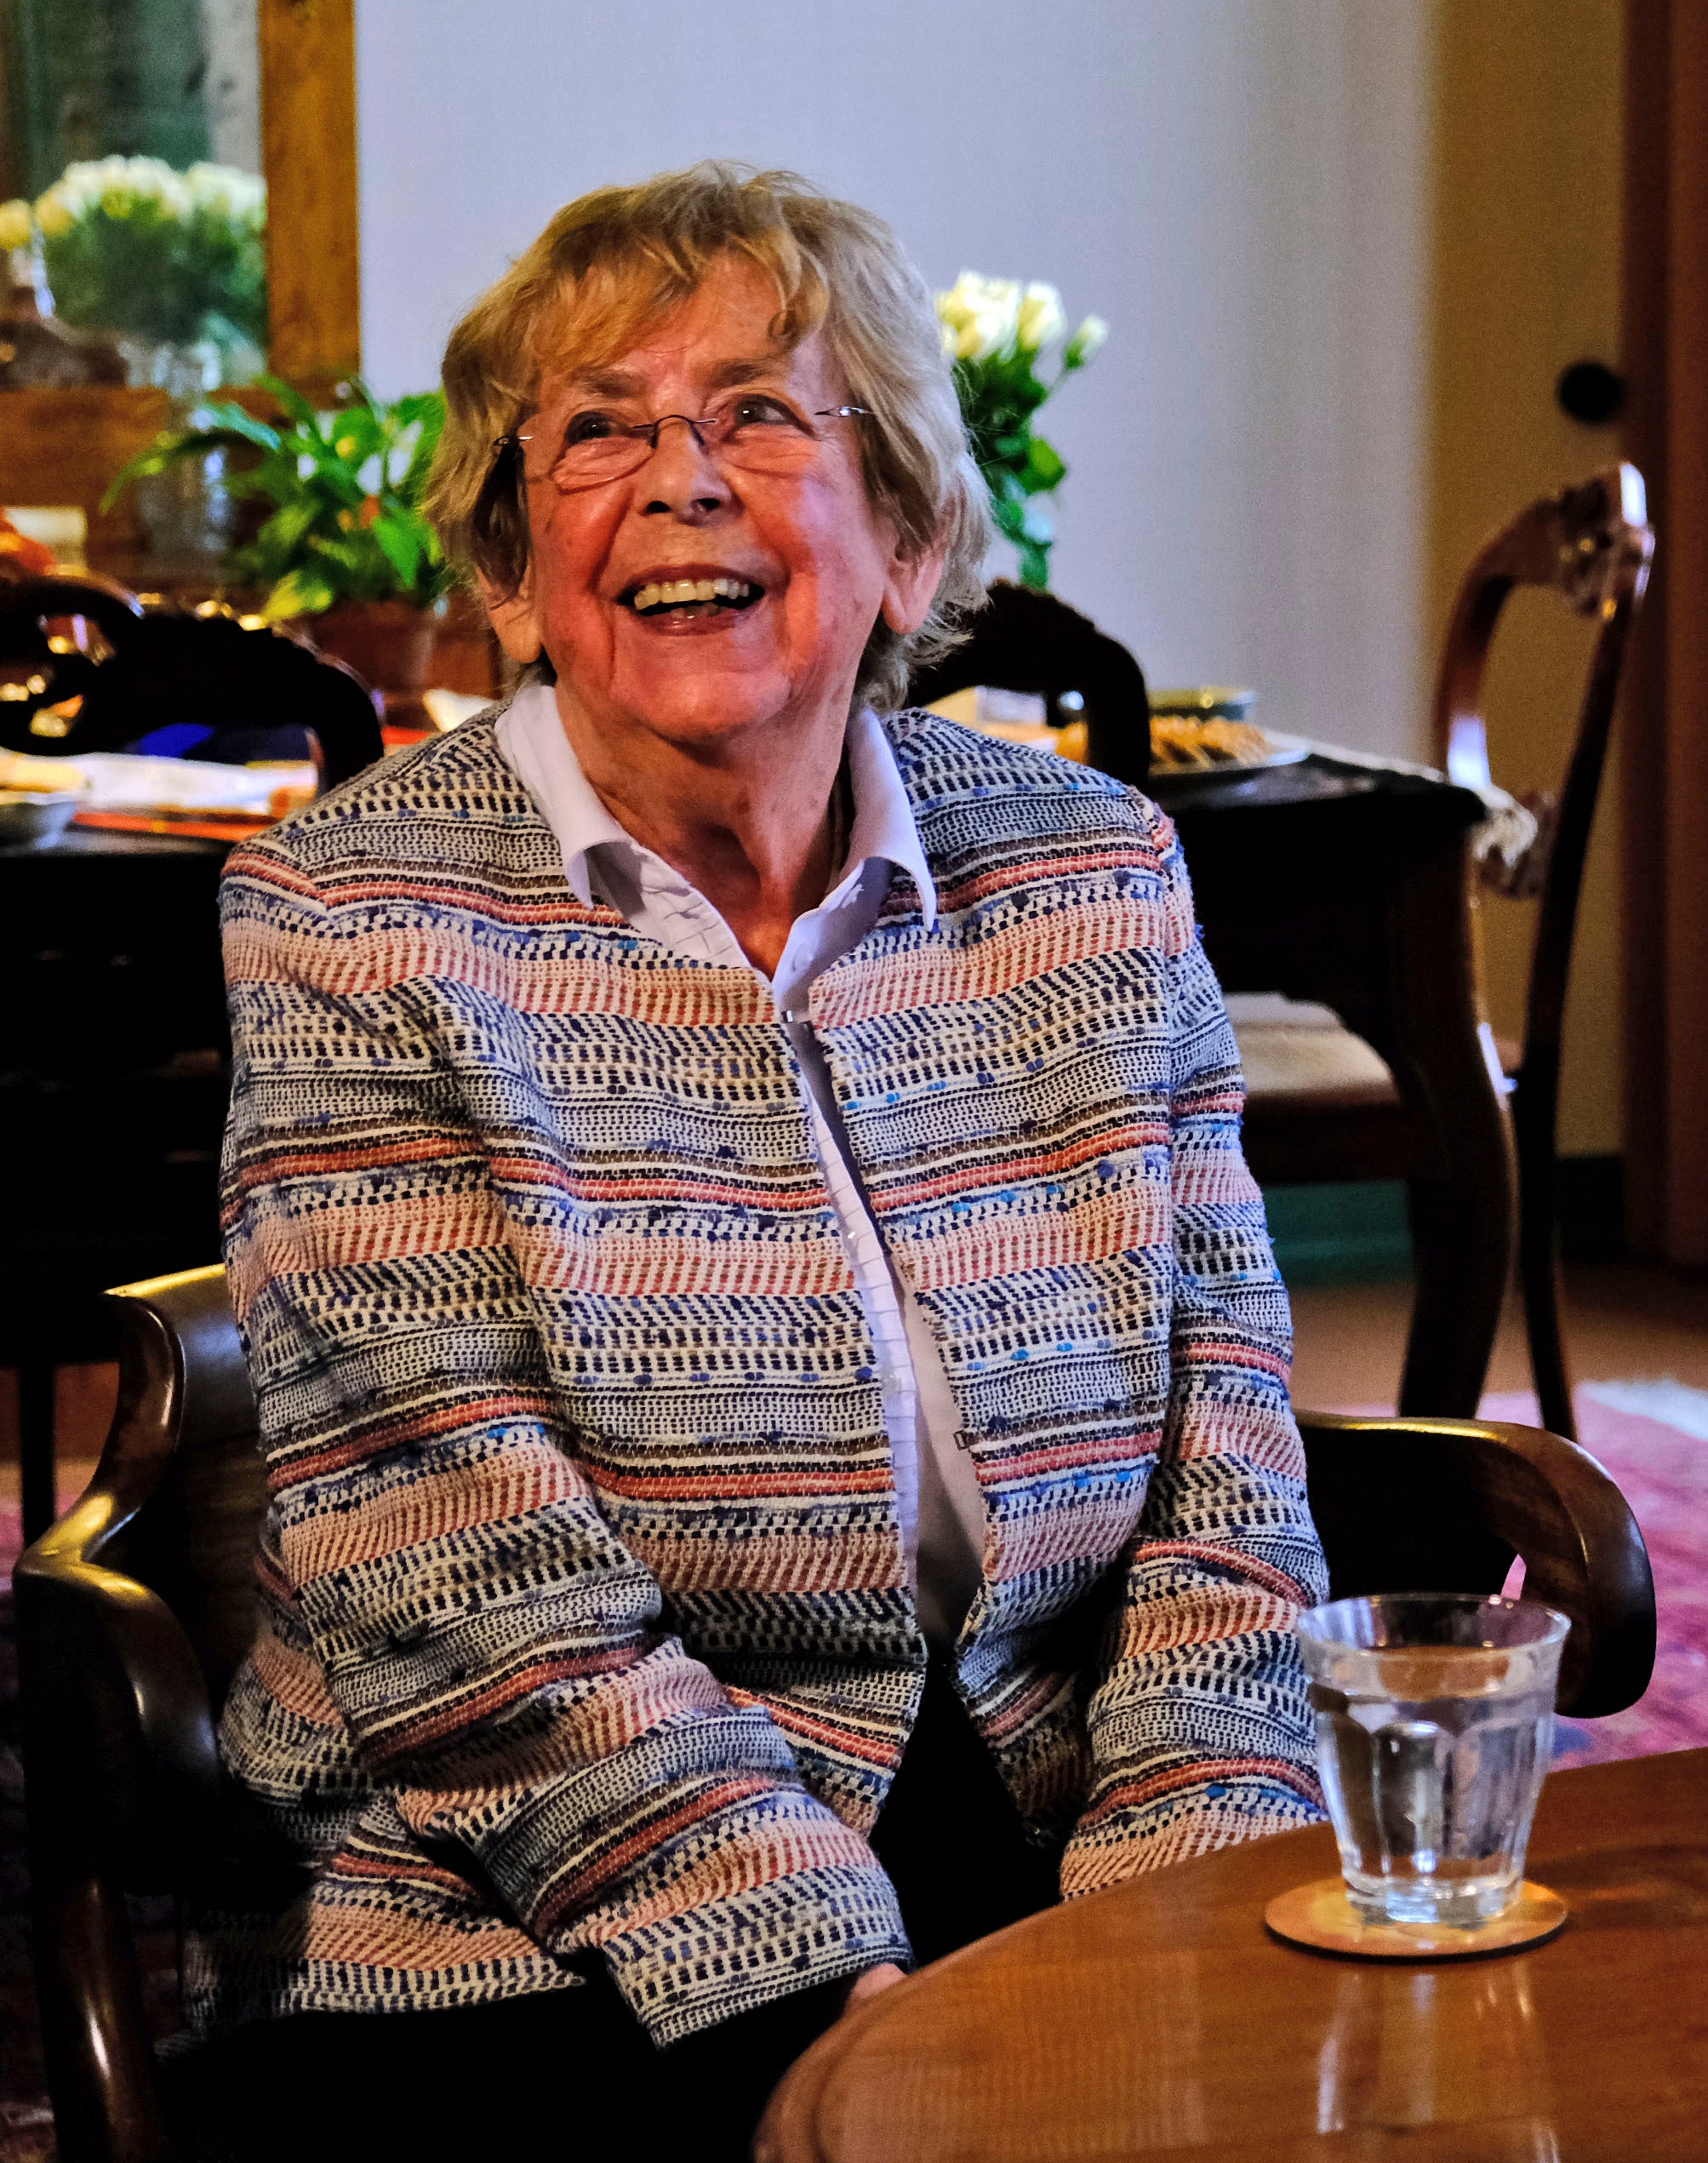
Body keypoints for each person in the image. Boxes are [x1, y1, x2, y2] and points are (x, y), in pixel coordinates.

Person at [204, 164, 1323, 2152]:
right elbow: (454, 1568)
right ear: (510, 560)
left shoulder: (1090, 872)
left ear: (901, 537)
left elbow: (1228, 1452)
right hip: (533, 1880)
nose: (679, 478)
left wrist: (1183, 1893)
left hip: (1043, 1807)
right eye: (599, 430)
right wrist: (814, 1982)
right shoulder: (355, 912)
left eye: (758, 414)